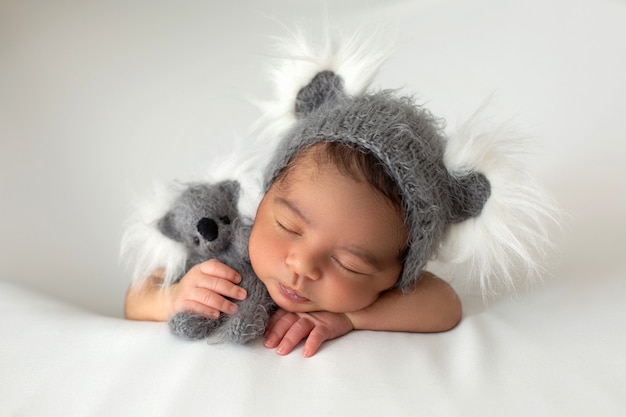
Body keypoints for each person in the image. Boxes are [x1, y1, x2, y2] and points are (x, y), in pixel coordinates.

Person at [125, 140, 462, 358]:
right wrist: (173, 298)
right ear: (262, 204)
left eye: (349, 264)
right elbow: (136, 297)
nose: (301, 265)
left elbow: (445, 304)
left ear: (396, 276)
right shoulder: (227, 249)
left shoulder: (379, 291)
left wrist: (348, 317)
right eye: (288, 226)